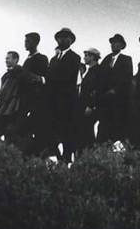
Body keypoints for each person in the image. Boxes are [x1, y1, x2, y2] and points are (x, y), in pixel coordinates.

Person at [47, 28, 81, 162]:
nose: (62, 40)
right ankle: (60, 160)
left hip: (67, 104)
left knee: (67, 135)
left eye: (66, 37)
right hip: (53, 103)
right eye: (60, 37)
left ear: (71, 41)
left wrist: (50, 78)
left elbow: (65, 77)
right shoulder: (53, 59)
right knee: (52, 134)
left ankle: (66, 162)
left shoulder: (75, 57)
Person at [96, 34, 133, 147]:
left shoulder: (126, 59)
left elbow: (127, 78)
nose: (113, 44)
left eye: (116, 42)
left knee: (119, 132)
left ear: (121, 45)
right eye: (112, 42)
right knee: (103, 131)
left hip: (119, 102)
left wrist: (115, 90)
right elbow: (99, 77)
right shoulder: (106, 59)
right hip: (105, 102)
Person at [21, 32, 50, 153]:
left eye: (28, 41)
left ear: (35, 42)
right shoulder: (27, 60)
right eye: (25, 41)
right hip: (25, 100)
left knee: (38, 131)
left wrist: (34, 78)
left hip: (36, 101)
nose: (25, 43)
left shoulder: (41, 58)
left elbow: (44, 79)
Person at [0, 51, 27, 145]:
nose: (6, 60)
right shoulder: (5, 76)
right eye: (6, 58)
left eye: (8, 58)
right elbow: (2, 92)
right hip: (4, 107)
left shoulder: (21, 73)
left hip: (14, 107)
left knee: (11, 132)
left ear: (15, 60)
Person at [76, 47, 101, 153]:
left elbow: (97, 89)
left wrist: (91, 106)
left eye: (86, 55)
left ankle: (90, 157)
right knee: (84, 134)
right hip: (83, 108)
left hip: (89, 109)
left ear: (93, 57)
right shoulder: (89, 71)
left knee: (87, 134)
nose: (84, 58)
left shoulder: (98, 71)